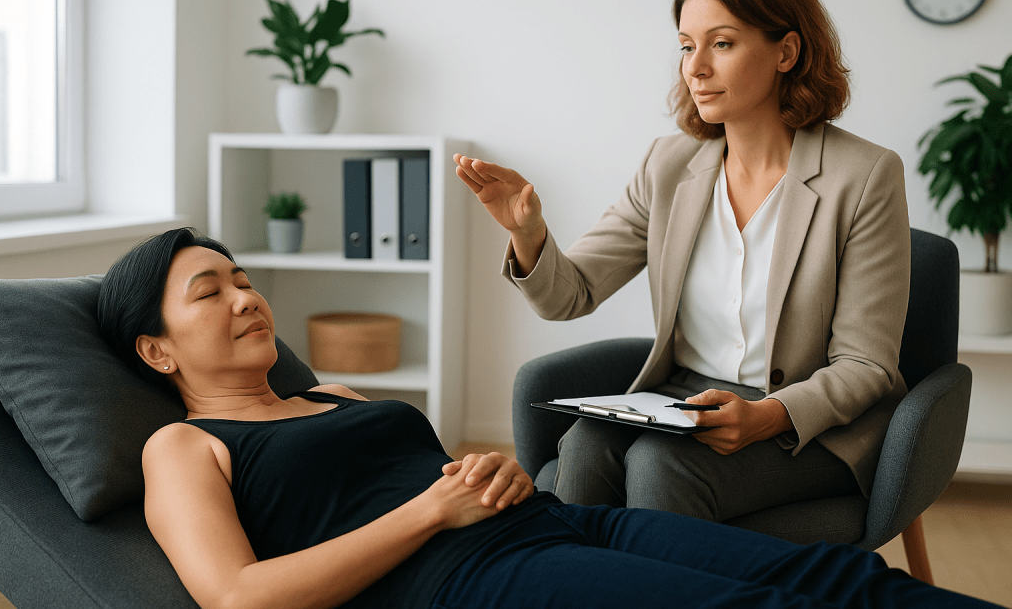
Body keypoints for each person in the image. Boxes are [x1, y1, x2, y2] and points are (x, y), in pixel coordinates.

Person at [95, 227, 996, 609]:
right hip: (465, 581)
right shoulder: (184, 445)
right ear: (157, 351)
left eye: (243, 279)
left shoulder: (339, 395)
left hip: (558, 522)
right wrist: (433, 513)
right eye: (208, 292)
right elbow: (238, 597)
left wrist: (496, 475)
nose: (244, 298)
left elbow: (439, 482)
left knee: (837, 580)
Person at [455, 0, 910, 523]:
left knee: (659, 464)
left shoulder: (865, 175)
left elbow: (866, 364)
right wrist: (528, 233)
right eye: (686, 46)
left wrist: (767, 415)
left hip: (808, 422)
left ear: (786, 52)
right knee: (587, 447)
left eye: (721, 43)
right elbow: (568, 296)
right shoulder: (669, 165)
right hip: (685, 398)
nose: (695, 67)